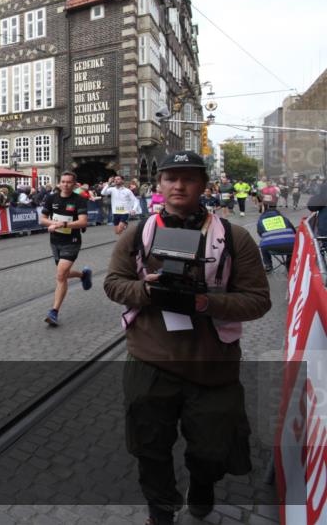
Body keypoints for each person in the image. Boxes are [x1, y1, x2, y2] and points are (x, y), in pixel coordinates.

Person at [103, 150, 271, 525]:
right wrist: (146, 292)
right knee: (149, 446)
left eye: (189, 178)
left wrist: (203, 302)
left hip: (212, 364)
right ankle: (161, 509)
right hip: (150, 359)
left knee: (213, 449)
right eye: (171, 178)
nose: (179, 185)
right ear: (159, 185)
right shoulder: (138, 233)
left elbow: (259, 300)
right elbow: (114, 284)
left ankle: (202, 484)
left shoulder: (233, 237)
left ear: (203, 185)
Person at [38, 171, 93, 326]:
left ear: (74, 184)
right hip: (55, 241)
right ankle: (83, 275)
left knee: (61, 275)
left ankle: (54, 312)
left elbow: (83, 222)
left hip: (72, 240)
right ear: (59, 183)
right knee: (64, 273)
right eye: (63, 181)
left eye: (69, 182)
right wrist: (52, 225)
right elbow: (42, 219)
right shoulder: (51, 198)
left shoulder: (80, 200)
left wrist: (64, 224)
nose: (66, 184)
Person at [256, 207, 296, 272]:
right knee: (291, 240)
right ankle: (289, 265)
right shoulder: (284, 219)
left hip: (271, 246)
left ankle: (268, 265)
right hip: (290, 246)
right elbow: (294, 232)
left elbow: (260, 234)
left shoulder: (261, 221)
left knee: (263, 244)